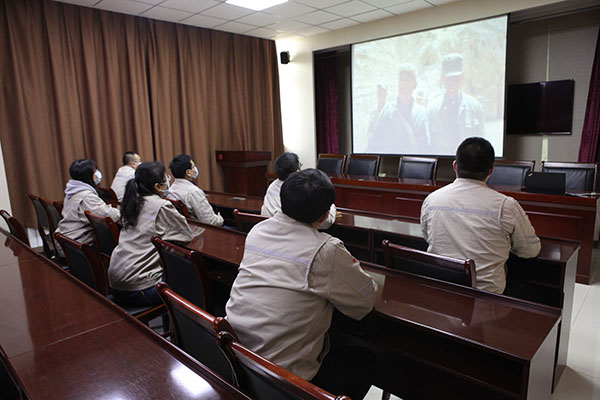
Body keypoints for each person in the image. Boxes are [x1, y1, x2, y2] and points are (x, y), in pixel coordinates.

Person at [227, 168, 378, 399]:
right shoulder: (326, 249)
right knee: (365, 359)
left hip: (236, 361)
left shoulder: (258, 231)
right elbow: (365, 302)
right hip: (282, 381)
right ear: (324, 215)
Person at [420, 137, 541, 294]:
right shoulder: (506, 206)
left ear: (455, 166)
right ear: (491, 170)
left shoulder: (432, 200)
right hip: (487, 299)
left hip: (442, 292)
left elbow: (427, 236)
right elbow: (530, 251)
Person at [108, 161, 193, 306]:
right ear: (158, 186)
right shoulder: (161, 205)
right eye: (165, 177)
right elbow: (185, 235)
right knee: (192, 277)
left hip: (117, 283)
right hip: (140, 289)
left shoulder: (132, 201)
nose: (168, 179)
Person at [55, 159, 120, 253]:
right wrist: (115, 210)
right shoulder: (86, 196)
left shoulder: (72, 190)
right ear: (88, 175)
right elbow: (111, 216)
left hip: (66, 240)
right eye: (95, 171)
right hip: (76, 245)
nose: (97, 174)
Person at [427, 54, 485, 154]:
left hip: (468, 168)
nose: (452, 83)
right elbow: (428, 148)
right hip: (441, 167)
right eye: (449, 78)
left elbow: (482, 146)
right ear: (442, 78)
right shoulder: (432, 110)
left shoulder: (475, 107)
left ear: (462, 77)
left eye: (456, 78)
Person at [261, 152, 336, 229]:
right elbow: (321, 222)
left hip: (270, 229)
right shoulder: (297, 190)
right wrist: (331, 207)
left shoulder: (272, 186)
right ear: (297, 171)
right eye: (300, 165)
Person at [367, 63, 429, 153]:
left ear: (414, 84)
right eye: (401, 80)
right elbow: (375, 142)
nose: (403, 83)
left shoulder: (421, 114)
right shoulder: (387, 110)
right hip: (390, 164)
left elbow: (425, 147)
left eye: (407, 80)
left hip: (413, 165)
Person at [167, 154, 223, 226]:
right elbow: (210, 222)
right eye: (194, 167)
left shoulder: (171, 189)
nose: (196, 169)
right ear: (188, 173)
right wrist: (220, 218)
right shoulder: (194, 192)